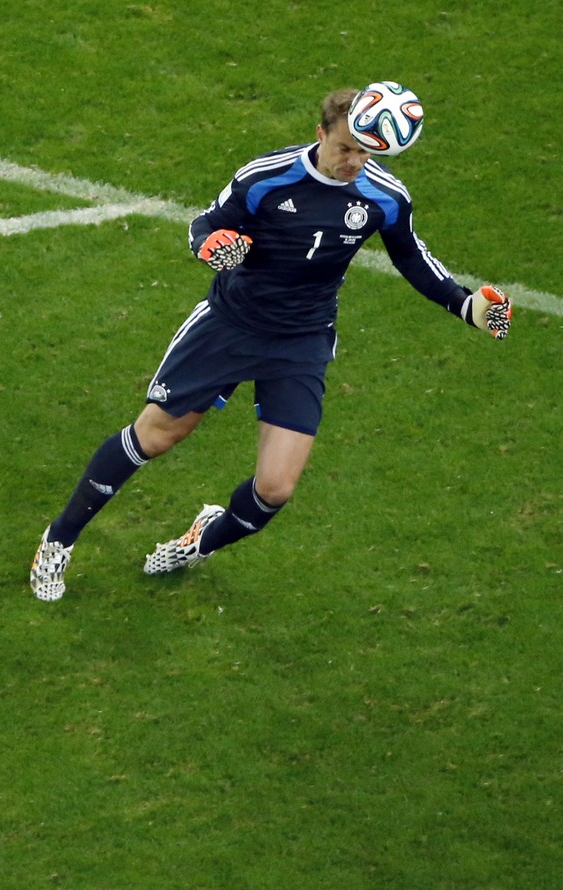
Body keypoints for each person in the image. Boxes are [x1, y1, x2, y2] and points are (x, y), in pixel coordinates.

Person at [29, 84, 512, 602]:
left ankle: (198, 541)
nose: (354, 162)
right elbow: (207, 224)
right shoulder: (265, 176)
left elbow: (412, 257)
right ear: (320, 132)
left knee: (276, 489)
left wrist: (466, 306)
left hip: (301, 341)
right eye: (345, 148)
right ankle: (57, 541)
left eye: (365, 153)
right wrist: (211, 245)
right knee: (156, 436)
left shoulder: (385, 198)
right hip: (230, 325)